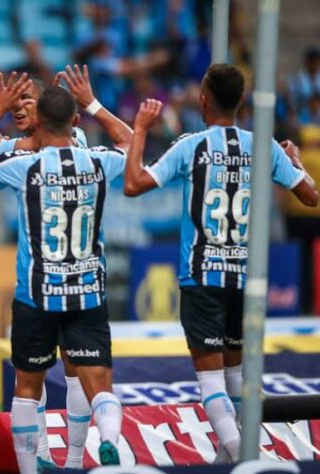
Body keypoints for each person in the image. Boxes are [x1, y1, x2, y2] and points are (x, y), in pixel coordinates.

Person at [123, 63, 319, 463]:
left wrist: (140, 129)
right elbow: (311, 197)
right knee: (234, 375)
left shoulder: (191, 146)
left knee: (210, 380)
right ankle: (228, 455)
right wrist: (295, 162)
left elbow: (134, 184)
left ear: (202, 100)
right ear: (242, 103)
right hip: (243, 280)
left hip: (201, 277)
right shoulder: (263, 145)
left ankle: (245, 456)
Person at [0, 74, 131, 472]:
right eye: (14, 106)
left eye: (26, 102)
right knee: (94, 378)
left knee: (32, 384)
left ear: (44, 113)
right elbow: (130, 145)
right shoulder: (91, 157)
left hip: (37, 292)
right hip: (86, 290)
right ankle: (80, 452)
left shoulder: (21, 164)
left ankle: (52, 462)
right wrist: (93, 103)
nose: (18, 108)